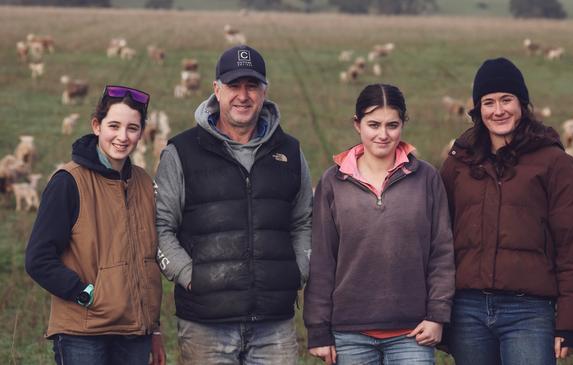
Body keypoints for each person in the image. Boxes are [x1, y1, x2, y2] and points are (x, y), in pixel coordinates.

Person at [154, 44, 312, 364]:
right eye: (233, 86)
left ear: (264, 92)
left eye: (252, 86)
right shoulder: (181, 152)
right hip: (205, 325)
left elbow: (303, 221)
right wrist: (188, 275)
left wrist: (298, 271)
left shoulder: (290, 152)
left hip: (275, 326)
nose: (243, 95)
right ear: (216, 90)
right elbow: (161, 227)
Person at [440, 57, 573, 365]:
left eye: (506, 100)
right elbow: (438, 238)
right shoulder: (459, 163)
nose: (498, 111)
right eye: (488, 102)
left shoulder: (554, 163)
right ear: (478, 109)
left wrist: (570, 322)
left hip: (529, 312)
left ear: (522, 103)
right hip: (468, 309)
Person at [304, 83, 455, 365]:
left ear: (403, 125)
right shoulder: (333, 182)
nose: (383, 135)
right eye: (373, 124)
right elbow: (323, 259)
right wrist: (318, 330)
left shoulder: (426, 178)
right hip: (350, 334)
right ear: (357, 124)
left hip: (413, 333)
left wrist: (437, 316)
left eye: (392, 125)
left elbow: (441, 253)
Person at [25, 85, 165, 365]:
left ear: (141, 132)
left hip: (135, 335)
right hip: (84, 334)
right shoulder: (69, 181)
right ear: (96, 126)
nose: (123, 137)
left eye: (132, 128)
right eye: (114, 126)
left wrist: (155, 329)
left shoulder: (143, 183)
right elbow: (38, 258)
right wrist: (85, 294)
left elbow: (146, 260)